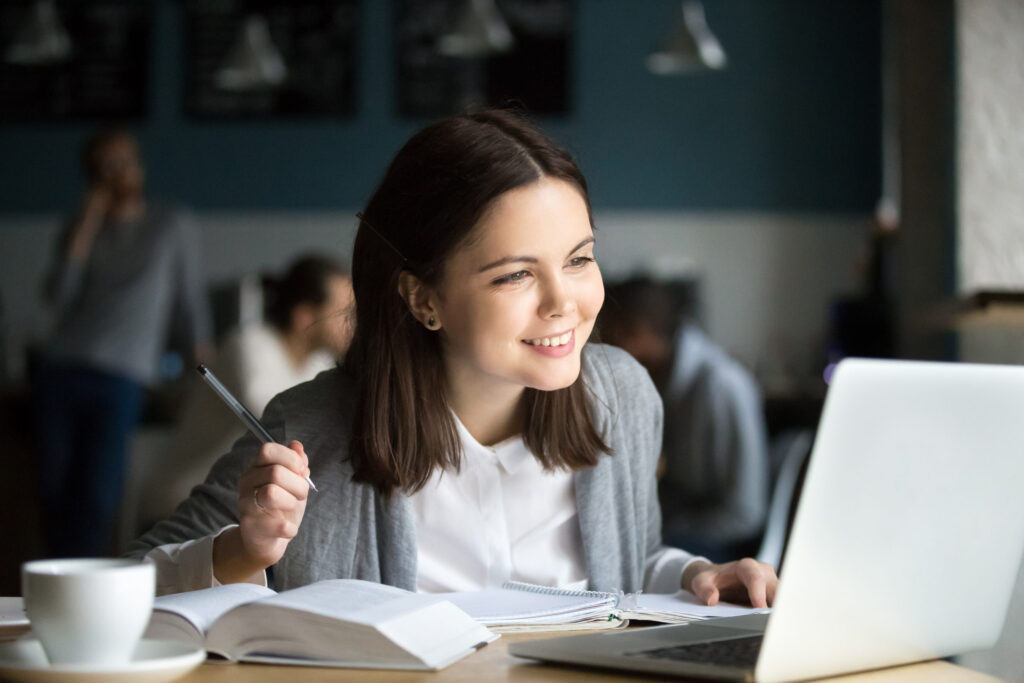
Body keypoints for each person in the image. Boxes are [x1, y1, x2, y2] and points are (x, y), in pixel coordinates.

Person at [127, 109, 777, 607]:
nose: (565, 303)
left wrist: (694, 574)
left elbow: (624, 565)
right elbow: (130, 585)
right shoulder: (313, 427)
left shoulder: (622, 396)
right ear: (424, 298)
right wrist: (243, 550)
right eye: (516, 274)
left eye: (579, 258)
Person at [34, 126, 212, 558]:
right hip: (62, 369)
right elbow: (56, 296)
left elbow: (190, 301)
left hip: (122, 377)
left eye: (126, 161)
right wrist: (88, 220)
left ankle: (86, 588)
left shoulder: (170, 224)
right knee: (52, 489)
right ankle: (49, 584)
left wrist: (204, 368)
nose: (120, 173)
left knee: (98, 494)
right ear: (93, 174)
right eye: (107, 166)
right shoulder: (81, 228)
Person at [145, 254, 354, 522]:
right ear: (303, 316)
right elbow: (280, 422)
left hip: (243, 512)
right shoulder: (249, 346)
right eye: (342, 312)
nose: (352, 324)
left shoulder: (317, 363)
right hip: (189, 506)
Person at [600, 277, 769, 562]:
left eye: (612, 334)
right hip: (684, 525)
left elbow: (744, 514)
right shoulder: (660, 380)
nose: (607, 345)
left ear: (637, 330)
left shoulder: (722, 386)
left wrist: (663, 532)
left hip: (726, 545)